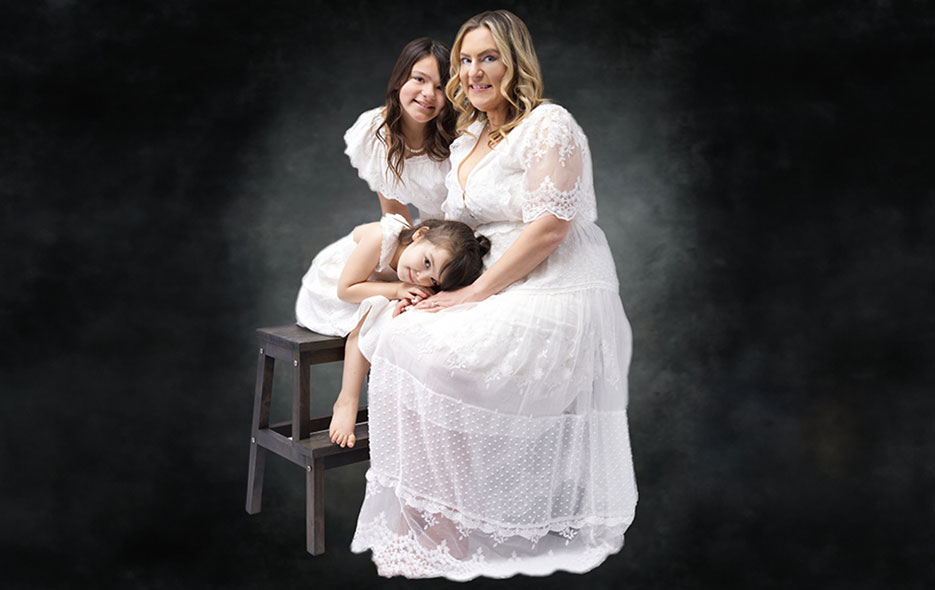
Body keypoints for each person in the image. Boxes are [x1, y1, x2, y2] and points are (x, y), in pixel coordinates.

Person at [349, 10, 638, 580]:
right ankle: (443, 512)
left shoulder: (550, 125)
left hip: (553, 279)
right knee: (403, 328)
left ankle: (477, 511)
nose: (474, 71)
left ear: (514, 62)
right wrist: (421, 277)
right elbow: (439, 217)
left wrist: (474, 294)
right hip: (492, 277)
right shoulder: (469, 136)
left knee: (437, 353)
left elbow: (551, 228)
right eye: (465, 59)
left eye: (489, 57)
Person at [295, 37, 456, 335]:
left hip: (446, 249)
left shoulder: (455, 137)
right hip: (408, 249)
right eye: (419, 79)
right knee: (398, 313)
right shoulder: (377, 131)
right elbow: (396, 218)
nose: (428, 94)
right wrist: (409, 281)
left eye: (440, 86)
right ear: (399, 81)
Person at [324, 216, 490, 448]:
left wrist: (407, 296)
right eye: (427, 262)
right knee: (374, 311)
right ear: (419, 234)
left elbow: (406, 289)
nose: (421, 276)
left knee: (400, 310)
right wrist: (399, 289)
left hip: (369, 287)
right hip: (330, 287)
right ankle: (347, 400)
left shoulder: (416, 267)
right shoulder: (379, 237)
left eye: (432, 279)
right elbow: (345, 290)